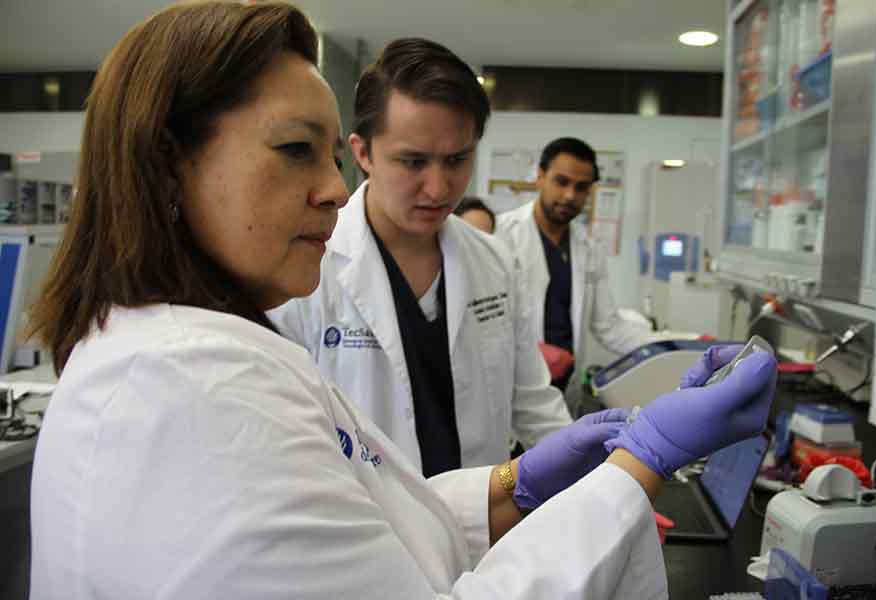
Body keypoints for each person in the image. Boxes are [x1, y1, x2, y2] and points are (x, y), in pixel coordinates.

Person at [27, 4, 778, 598]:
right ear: (167, 163)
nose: (329, 189)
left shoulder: (206, 346)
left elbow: (359, 511)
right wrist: (638, 467)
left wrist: (524, 480)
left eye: (457, 161)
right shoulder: (194, 388)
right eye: (296, 150)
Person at [268, 38, 573, 476]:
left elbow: (534, 406)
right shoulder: (303, 269)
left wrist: (602, 488)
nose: (439, 187)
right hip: (361, 529)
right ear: (362, 153)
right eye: (413, 162)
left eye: (457, 159)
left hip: (481, 527)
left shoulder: (495, 263)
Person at [495, 137, 657, 401]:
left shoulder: (589, 248)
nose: (570, 195)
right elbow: (479, 323)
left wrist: (680, 343)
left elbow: (609, 328)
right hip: (512, 389)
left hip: (563, 390)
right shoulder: (500, 235)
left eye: (581, 187)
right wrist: (529, 351)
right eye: (561, 182)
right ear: (540, 177)